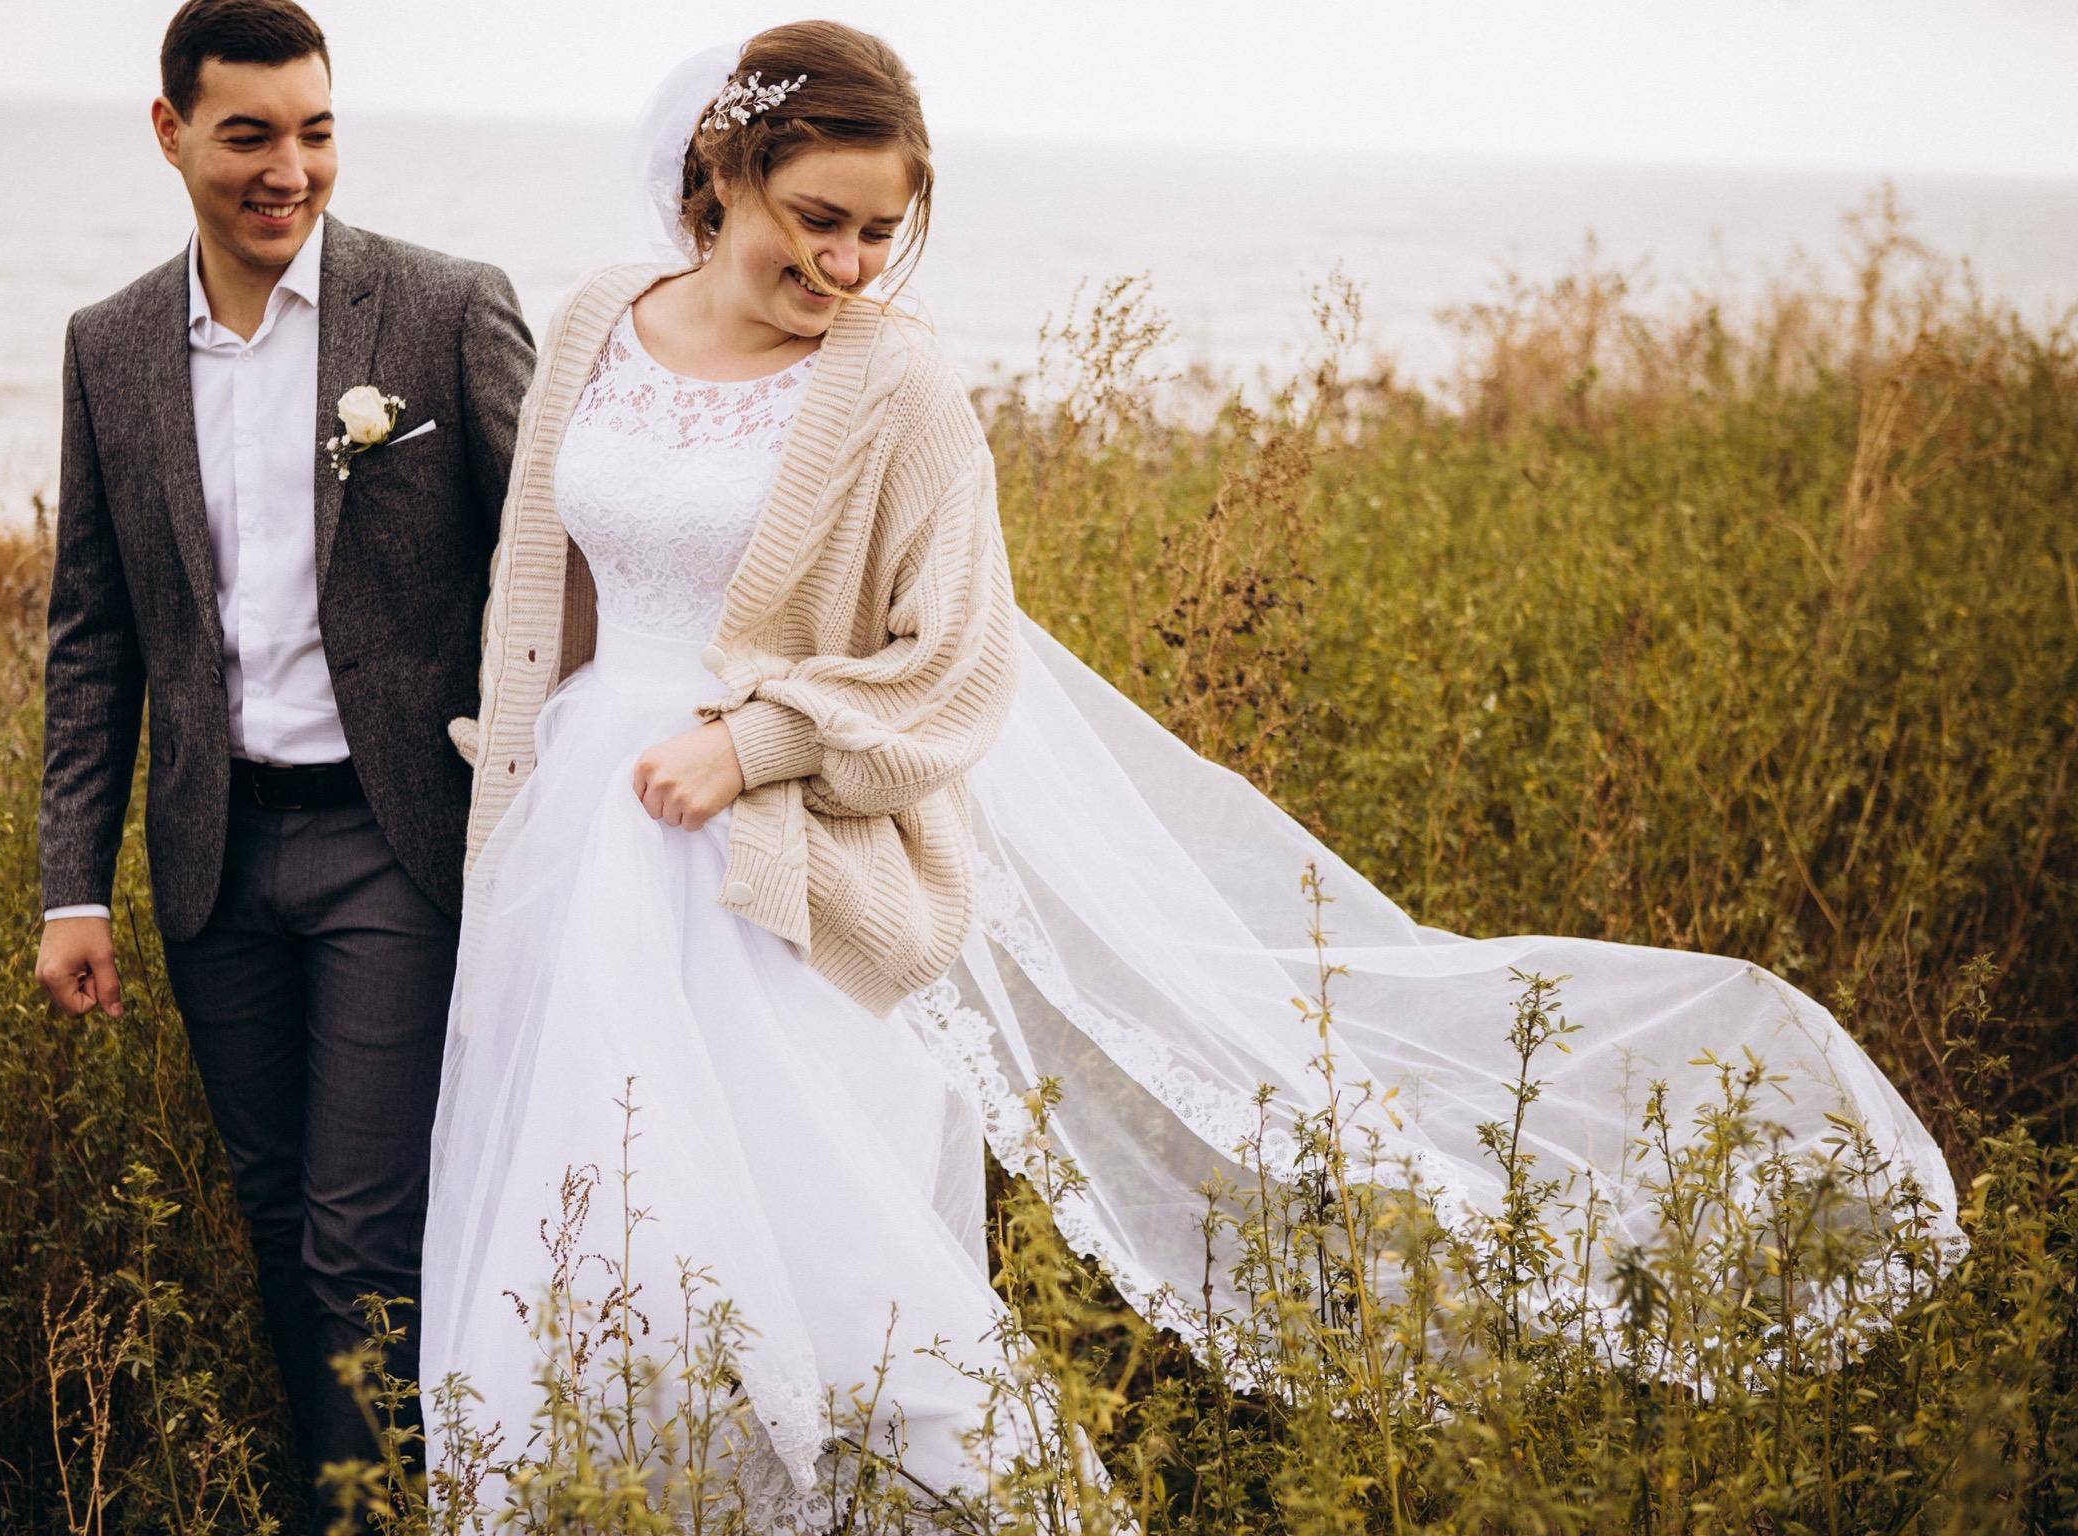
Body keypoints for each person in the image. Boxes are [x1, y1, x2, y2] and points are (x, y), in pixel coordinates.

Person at [422, 19, 1965, 1525]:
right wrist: (518, 769)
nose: (848, 265)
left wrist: (753, 742)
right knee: (581, 1248)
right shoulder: (592, 322)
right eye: (817, 220)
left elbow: (959, 665)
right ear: (724, 174)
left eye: (882, 233)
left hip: (774, 875)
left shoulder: (896, 388)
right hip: (579, 843)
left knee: (840, 1271)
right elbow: (540, 582)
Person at [31, 0, 534, 1514]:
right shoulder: (109, 345)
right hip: (214, 856)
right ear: (171, 130)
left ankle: (388, 1512)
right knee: (274, 1220)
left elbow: (556, 559)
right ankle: (366, 1497)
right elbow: (93, 634)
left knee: (361, 1238)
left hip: (397, 839)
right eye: (249, 133)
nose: (288, 170)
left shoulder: (445, 308)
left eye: (314, 130)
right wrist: (75, 888)